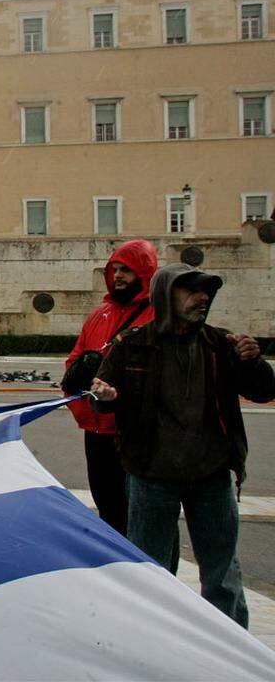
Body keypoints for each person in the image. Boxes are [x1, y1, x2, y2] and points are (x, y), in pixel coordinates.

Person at [90, 264, 275, 627]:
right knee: (150, 569)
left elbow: (263, 391)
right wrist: (105, 397)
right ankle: (154, 639)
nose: (201, 298)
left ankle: (230, 643)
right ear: (165, 295)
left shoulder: (221, 344)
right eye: (190, 290)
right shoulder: (132, 345)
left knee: (222, 572)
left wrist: (254, 364)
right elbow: (101, 394)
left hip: (212, 474)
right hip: (151, 475)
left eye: (206, 291)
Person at [62, 239, 157, 535]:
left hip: (134, 432)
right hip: (97, 429)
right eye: (115, 269)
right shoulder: (99, 314)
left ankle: (154, 575)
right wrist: (83, 407)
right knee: (109, 507)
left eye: (126, 270)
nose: (118, 276)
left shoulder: (157, 316)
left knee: (145, 513)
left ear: (144, 273)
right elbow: (74, 363)